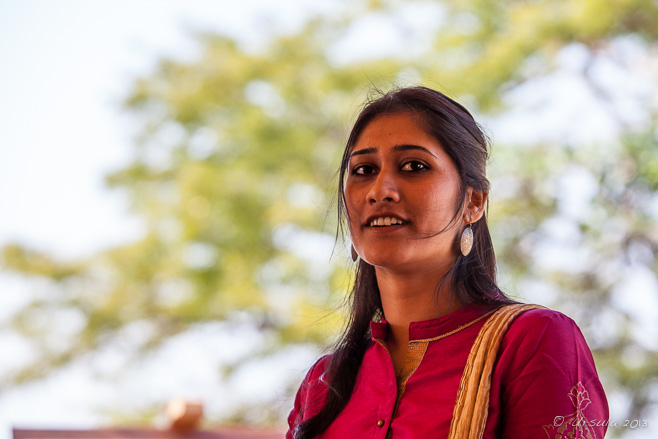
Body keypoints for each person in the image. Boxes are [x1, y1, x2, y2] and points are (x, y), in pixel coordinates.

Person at [286, 87, 608, 438]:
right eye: (364, 170)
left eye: (413, 166)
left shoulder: (532, 342)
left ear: (473, 201)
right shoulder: (324, 384)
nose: (380, 190)